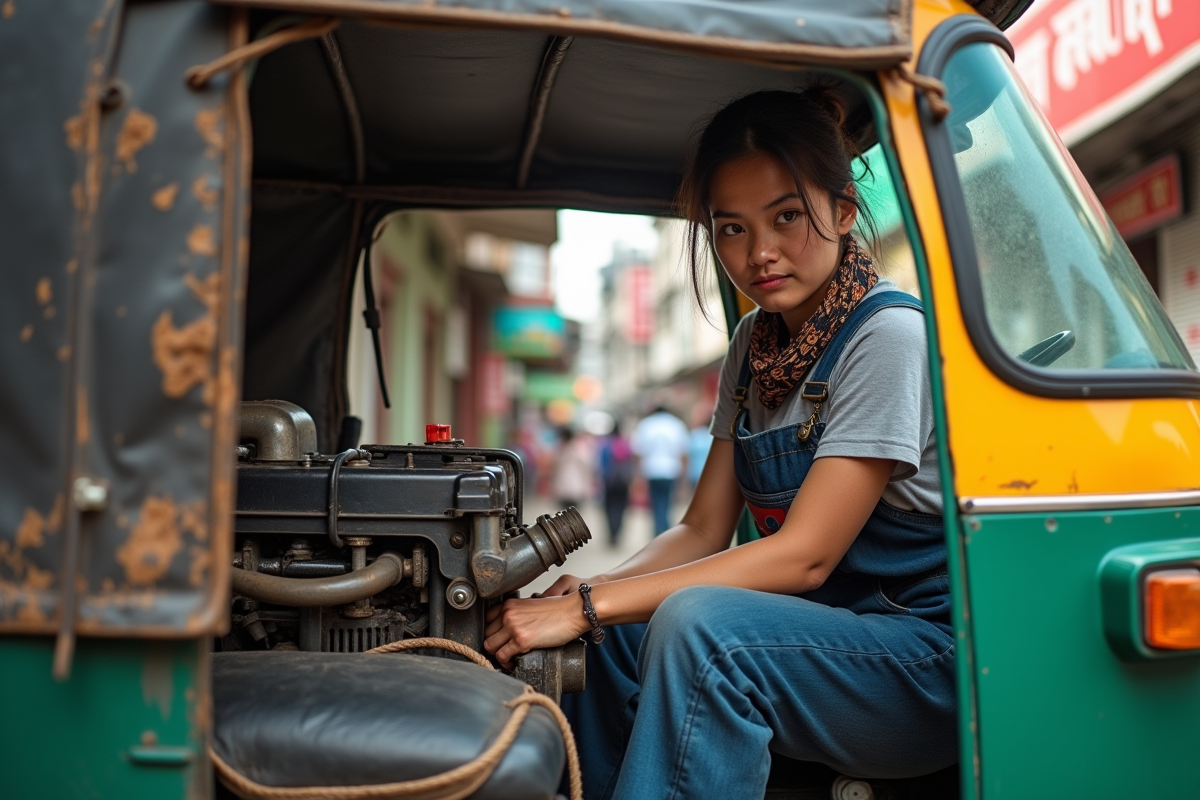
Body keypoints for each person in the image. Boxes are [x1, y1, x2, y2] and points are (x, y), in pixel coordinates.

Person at [483, 87, 953, 800]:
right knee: (608, 635)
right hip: (820, 635)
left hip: (918, 662)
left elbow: (805, 556)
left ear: (843, 212)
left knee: (700, 627)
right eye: (730, 229)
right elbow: (703, 528)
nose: (759, 252)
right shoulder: (752, 343)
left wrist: (588, 605)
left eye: (787, 217)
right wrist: (594, 592)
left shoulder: (889, 337)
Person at [631, 406, 689, 535]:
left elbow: (638, 452)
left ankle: (658, 531)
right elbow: (683, 453)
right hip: (671, 470)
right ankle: (665, 531)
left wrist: (637, 475)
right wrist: (684, 478)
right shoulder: (676, 424)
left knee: (656, 504)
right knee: (667, 503)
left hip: (651, 470)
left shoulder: (645, 424)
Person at [596, 423, 634, 548]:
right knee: (621, 508)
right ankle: (618, 532)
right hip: (623, 482)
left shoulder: (605, 445)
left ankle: (611, 534)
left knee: (609, 508)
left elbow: (599, 465)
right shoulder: (626, 444)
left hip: (609, 482)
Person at [551, 427, 594, 511]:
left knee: (563, 514)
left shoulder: (559, 448)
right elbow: (587, 467)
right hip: (575, 487)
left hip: (564, 487)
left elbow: (554, 467)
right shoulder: (579, 448)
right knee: (573, 514)